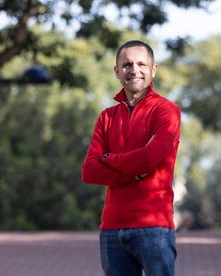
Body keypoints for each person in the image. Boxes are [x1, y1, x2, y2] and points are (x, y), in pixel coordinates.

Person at [81, 40, 181, 276]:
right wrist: (133, 171)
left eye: (141, 64)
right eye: (126, 65)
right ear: (116, 71)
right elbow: (89, 171)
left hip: (154, 227)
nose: (133, 70)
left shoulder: (166, 111)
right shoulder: (106, 117)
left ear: (153, 69)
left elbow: (148, 160)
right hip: (112, 228)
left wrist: (109, 158)